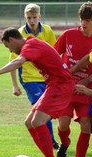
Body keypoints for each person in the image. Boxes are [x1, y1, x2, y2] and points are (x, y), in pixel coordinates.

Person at [0, 27, 75, 157]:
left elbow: (18, 61)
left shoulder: (30, 45)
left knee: (38, 121)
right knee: (29, 122)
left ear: (12, 40)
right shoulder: (31, 43)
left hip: (61, 84)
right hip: (55, 84)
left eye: (8, 46)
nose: (9, 50)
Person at [53, 2, 92, 157]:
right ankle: (65, 143)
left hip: (85, 91)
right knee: (63, 125)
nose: (83, 23)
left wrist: (86, 80)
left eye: (87, 20)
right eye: (82, 19)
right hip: (66, 89)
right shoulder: (68, 35)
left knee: (86, 125)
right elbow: (54, 55)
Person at [8, 3, 59, 149]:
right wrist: (14, 85)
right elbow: (13, 61)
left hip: (46, 77)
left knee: (46, 109)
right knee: (41, 107)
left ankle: (49, 140)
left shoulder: (47, 31)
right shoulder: (19, 33)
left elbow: (54, 52)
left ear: (40, 17)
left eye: (34, 17)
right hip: (29, 78)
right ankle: (51, 142)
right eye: (29, 18)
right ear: (25, 17)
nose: (32, 20)